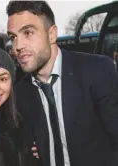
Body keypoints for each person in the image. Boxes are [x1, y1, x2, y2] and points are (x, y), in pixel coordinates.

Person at [6, 1, 118, 166]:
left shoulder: (96, 71)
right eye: (13, 37)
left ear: (52, 34)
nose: (18, 46)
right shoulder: (20, 93)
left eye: (28, 32)